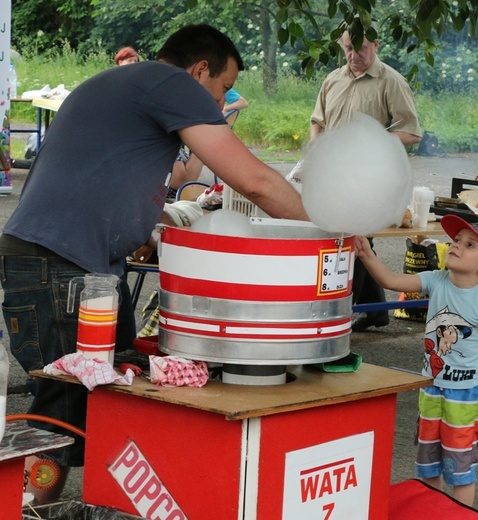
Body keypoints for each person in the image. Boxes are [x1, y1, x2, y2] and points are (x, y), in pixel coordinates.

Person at [0, 24, 307, 504]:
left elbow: (100, 172)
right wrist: (327, 233)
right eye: (224, 87)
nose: (222, 100)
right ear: (199, 69)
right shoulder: (173, 85)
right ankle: (31, 510)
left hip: (69, 264)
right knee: (60, 409)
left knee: (109, 402)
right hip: (61, 267)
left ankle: (80, 506)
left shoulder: (124, 83)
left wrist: (142, 225)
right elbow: (255, 182)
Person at [354, 215, 478, 507]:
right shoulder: (437, 279)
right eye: (455, 241)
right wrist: (367, 254)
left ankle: (461, 514)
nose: (456, 246)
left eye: (469, 245)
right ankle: (432, 511)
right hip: (431, 387)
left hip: (466, 393)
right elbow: (390, 280)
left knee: (460, 469)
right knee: (427, 463)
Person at [311, 24, 423, 331]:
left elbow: (411, 132)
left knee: (354, 240)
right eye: (348, 48)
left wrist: (371, 148)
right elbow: (317, 121)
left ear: (375, 44)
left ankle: (343, 310)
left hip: (369, 177)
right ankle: (375, 311)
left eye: (360, 48)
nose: (353, 55)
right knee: (338, 237)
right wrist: (315, 152)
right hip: (333, 176)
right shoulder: (333, 79)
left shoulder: (391, 81)